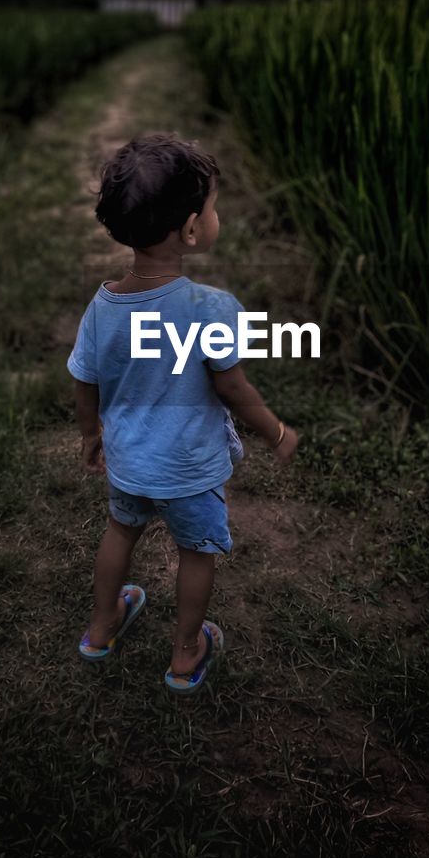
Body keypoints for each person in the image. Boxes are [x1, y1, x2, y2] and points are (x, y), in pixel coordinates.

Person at [67, 132, 299, 694]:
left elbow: (83, 379)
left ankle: (101, 627)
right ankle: (186, 651)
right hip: (190, 472)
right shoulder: (211, 308)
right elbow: (233, 388)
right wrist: (274, 429)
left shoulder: (103, 306)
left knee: (120, 531)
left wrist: (90, 434)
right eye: (213, 207)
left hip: (129, 463)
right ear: (192, 229)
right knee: (196, 553)